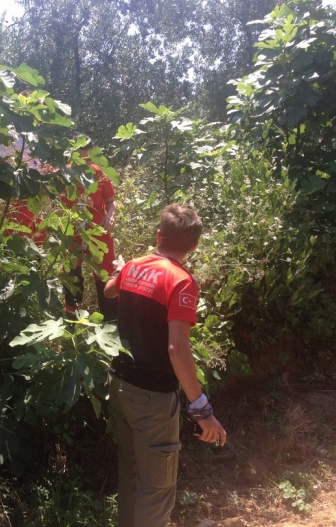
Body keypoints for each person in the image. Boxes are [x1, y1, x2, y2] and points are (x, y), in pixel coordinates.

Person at [104, 203, 227, 527]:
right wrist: (202, 409)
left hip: (118, 384)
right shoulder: (182, 282)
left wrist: (121, 269)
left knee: (130, 477)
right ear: (194, 245)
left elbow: (109, 289)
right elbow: (177, 349)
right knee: (156, 490)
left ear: (158, 235)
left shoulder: (134, 265)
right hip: (152, 397)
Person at [61, 137, 118, 320]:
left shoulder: (99, 174)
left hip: (98, 232)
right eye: (80, 159)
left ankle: (110, 319)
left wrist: (110, 215)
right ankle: (73, 317)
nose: (85, 164)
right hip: (72, 232)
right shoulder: (64, 175)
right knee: (72, 274)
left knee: (105, 274)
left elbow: (111, 202)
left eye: (88, 159)